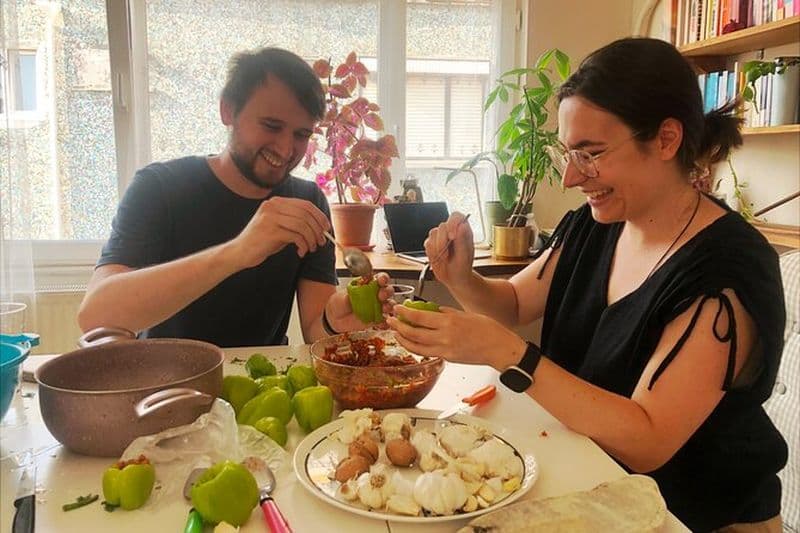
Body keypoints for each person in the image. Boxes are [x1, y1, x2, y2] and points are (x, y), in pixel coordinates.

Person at [387, 38, 787, 532]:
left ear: (665, 140)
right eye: (568, 153)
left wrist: (512, 356)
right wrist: (460, 276)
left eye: (591, 154)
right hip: (595, 491)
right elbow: (512, 303)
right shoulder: (596, 224)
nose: (572, 177)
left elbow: (647, 440)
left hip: (694, 518)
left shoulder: (727, 272)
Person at [78, 47, 393, 347]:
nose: (285, 150)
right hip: (169, 386)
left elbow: (315, 331)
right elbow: (95, 315)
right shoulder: (160, 188)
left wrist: (333, 322)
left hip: (266, 387)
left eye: (301, 135)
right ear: (227, 110)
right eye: (271, 126)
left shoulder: (307, 204)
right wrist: (239, 251)